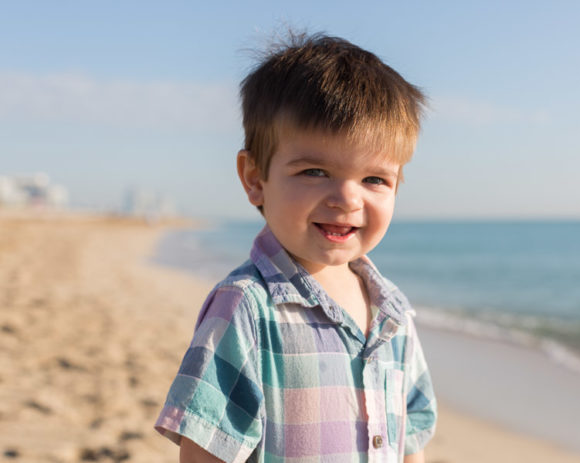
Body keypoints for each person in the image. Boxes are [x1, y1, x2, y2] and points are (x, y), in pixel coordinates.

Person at [155, 32, 437, 463]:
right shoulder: (246, 308)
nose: (347, 198)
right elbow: (205, 450)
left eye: (374, 179)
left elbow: (410, 442)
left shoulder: (392, 314)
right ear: (254, 178)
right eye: (315, 171)